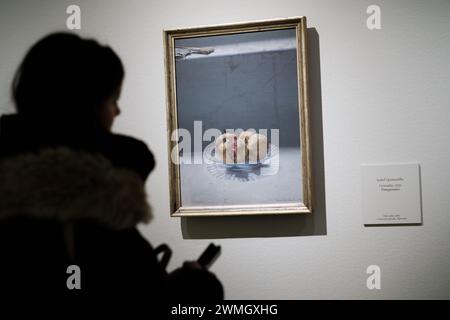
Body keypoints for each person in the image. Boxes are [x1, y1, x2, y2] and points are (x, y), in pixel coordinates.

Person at [0, 32, 223, 299]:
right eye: (113, 100)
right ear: (85, 105)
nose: (117, 112)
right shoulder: (97, 220)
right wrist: (195, 287)